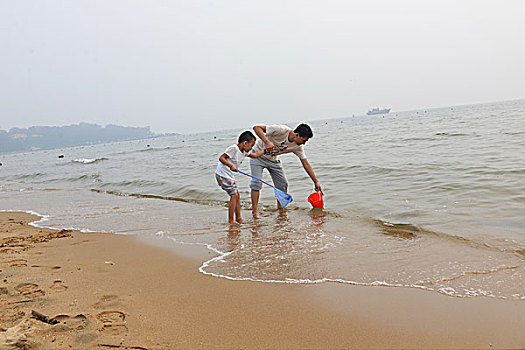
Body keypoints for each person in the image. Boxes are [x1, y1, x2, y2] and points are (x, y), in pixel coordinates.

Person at [250, 123, 322, 217]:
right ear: (297, 135)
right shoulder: (281, 130)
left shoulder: (298, 147)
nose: (304, 143)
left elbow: (306, 164)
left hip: (273, 160)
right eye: (303, 140)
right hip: (258, 156)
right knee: (256, 183)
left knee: (282, 185)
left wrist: (316, 181)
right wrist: (266, 141)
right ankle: (254, 212)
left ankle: (281, 210)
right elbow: (256, 128)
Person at [215, 131, 265, 224]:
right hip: (223, 175)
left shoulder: (245, 152)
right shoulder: (234, 148)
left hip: (228, 176)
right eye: (251, 145)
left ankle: (238, 218)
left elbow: (255, 155)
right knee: (234, 196)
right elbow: (221, 158)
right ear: (245, 143)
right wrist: (231, 166)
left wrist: (265, 151)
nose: (251, 148)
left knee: (237, 196)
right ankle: (231, 220)